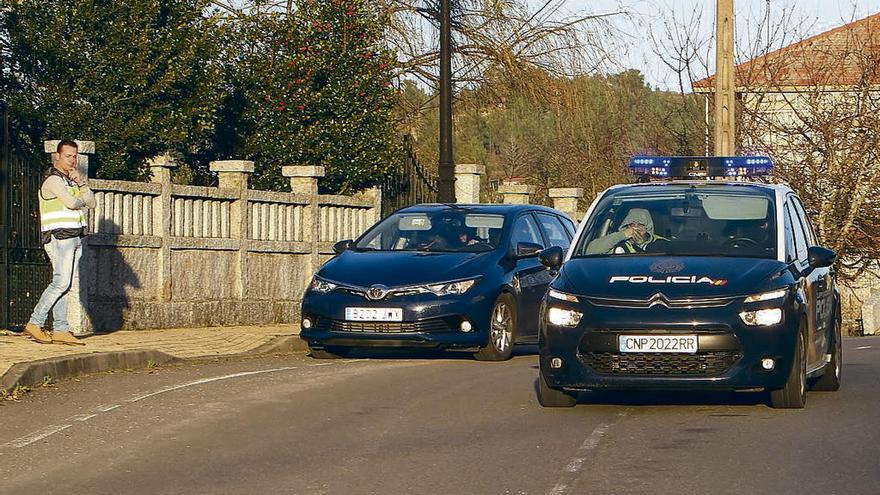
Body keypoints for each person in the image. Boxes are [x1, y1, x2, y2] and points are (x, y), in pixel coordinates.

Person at [22, 141, 95, 346]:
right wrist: (80, 198)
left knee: (65, 284)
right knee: (61, 283)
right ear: (57, 156)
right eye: (68, 156)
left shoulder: (70, 181)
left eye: (75, 156)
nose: (72, 160)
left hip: (74, 237)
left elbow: (93, 202)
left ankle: (61, 329)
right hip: (58, 237)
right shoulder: (53, 180)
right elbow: (73, 203)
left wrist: (80, 185)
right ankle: (35, 323)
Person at [585, 208, 669, 254]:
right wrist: (622, 235)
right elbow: (590, 251)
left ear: (647, 228)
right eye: (632, 224)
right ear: (626, 226)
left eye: (640, 225)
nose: (636, 228)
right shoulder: (616, 243)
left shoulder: (661, 242)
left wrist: (643, 244)